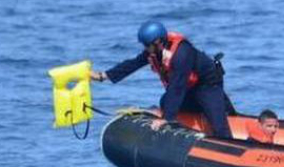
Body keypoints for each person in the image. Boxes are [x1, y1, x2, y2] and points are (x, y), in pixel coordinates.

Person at [90, 21, 234, 139]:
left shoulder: (182, 54)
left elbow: (177, 87)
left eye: (147, 45)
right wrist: (103, 76)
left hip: (207, 85)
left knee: (219, 128)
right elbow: (133, 63)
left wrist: (166, 118)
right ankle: (198, 120)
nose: (145, 48)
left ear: (158, 42)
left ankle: (223, 120)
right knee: (165, 102)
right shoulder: (154, 51)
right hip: (190, 88)